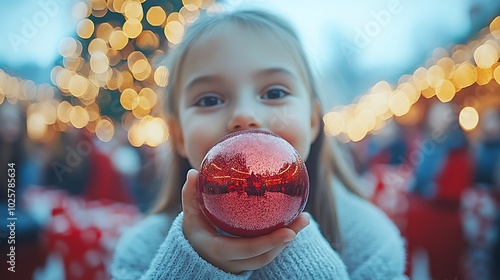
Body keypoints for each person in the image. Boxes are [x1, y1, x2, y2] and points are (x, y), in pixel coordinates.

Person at [111, 9, 406, 279]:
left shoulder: (368, 239)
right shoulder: (141, 252)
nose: (245, 115)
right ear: (178, 136)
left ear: (313, 121)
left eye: (274, 93)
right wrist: (193, 266)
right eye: (210, 100)